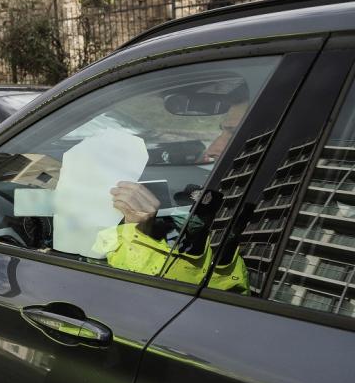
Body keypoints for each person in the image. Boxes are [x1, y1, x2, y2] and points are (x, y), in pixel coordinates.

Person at [101, 100, 252, 292]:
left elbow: (162, 296)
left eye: (233, 134)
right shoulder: (246, 204)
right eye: (222, 131)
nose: (211, 150)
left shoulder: (261, 224)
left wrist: (137, 234)